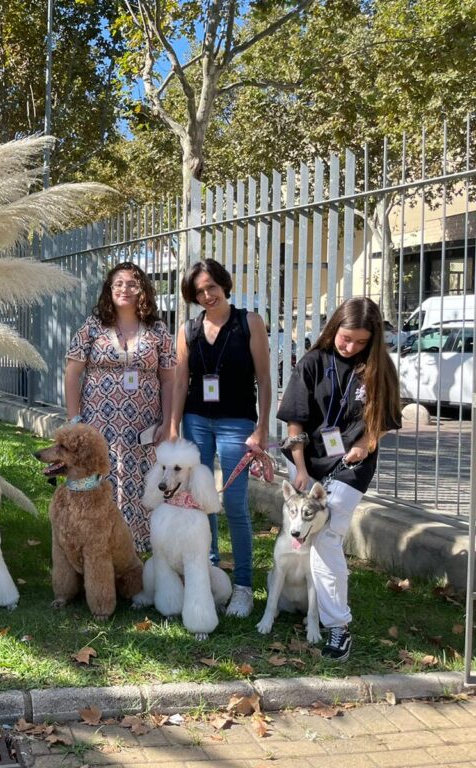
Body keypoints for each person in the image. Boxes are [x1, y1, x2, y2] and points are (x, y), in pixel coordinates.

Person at [277, 296, 401, 661]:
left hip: (351, 464)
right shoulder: (314, 362)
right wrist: (299, 467)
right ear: (334, 329)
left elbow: (383, 419)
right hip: (309, 460)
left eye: (361, 342)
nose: (351, 347)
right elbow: (295, 421)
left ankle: (338, 627)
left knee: (327, 535)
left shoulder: (379, 368)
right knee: (305, 537)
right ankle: (311, 609)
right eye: (346, 338)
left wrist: (366, 443)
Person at [169, 258, 271, 618]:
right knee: (199, 501)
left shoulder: (250, 323)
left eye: (212, 286)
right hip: (197, 420)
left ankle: (243, 585)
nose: (207, 295)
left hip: (237, 423)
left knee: (235, 505)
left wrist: (261, 429)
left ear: (224, 284)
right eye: (199, 291)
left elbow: (263, 378)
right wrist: (173, 426)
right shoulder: (188, 330)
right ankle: (209, 573)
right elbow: (182, 382)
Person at [64, 261, 176, 551]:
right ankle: (98, 548)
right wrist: (74, 419)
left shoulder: (158, 330)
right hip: (99, 425)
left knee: (142, 483)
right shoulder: (93, 327)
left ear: (143, 290)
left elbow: (168, 380)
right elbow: (73, 373)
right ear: (109, 289)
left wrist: (168, 422)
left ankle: (136, 551)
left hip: (143, 427)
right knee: (101, 482)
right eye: (118, 284)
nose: (124, 289)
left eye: (132, 284)